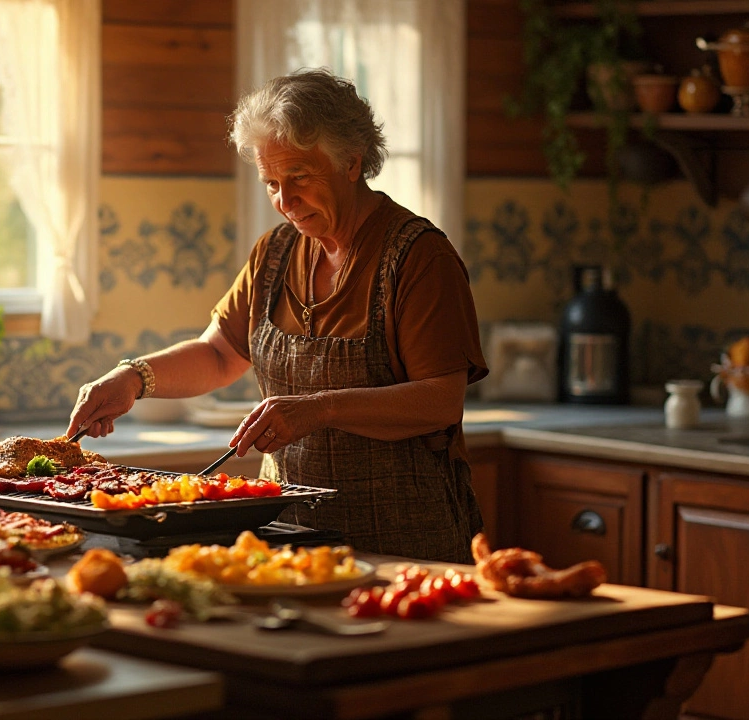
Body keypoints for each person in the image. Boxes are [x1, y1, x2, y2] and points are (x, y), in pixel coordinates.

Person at [66, 69, 488, 562]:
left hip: (403, 539)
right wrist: (133, 377)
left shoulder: (419, 257)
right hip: (290, 536)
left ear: (352, 162)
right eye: (271, 183)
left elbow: (440, 401)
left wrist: (319, 408)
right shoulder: (275, 254)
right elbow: (220, 353)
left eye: (299, 179)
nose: (285, 202)